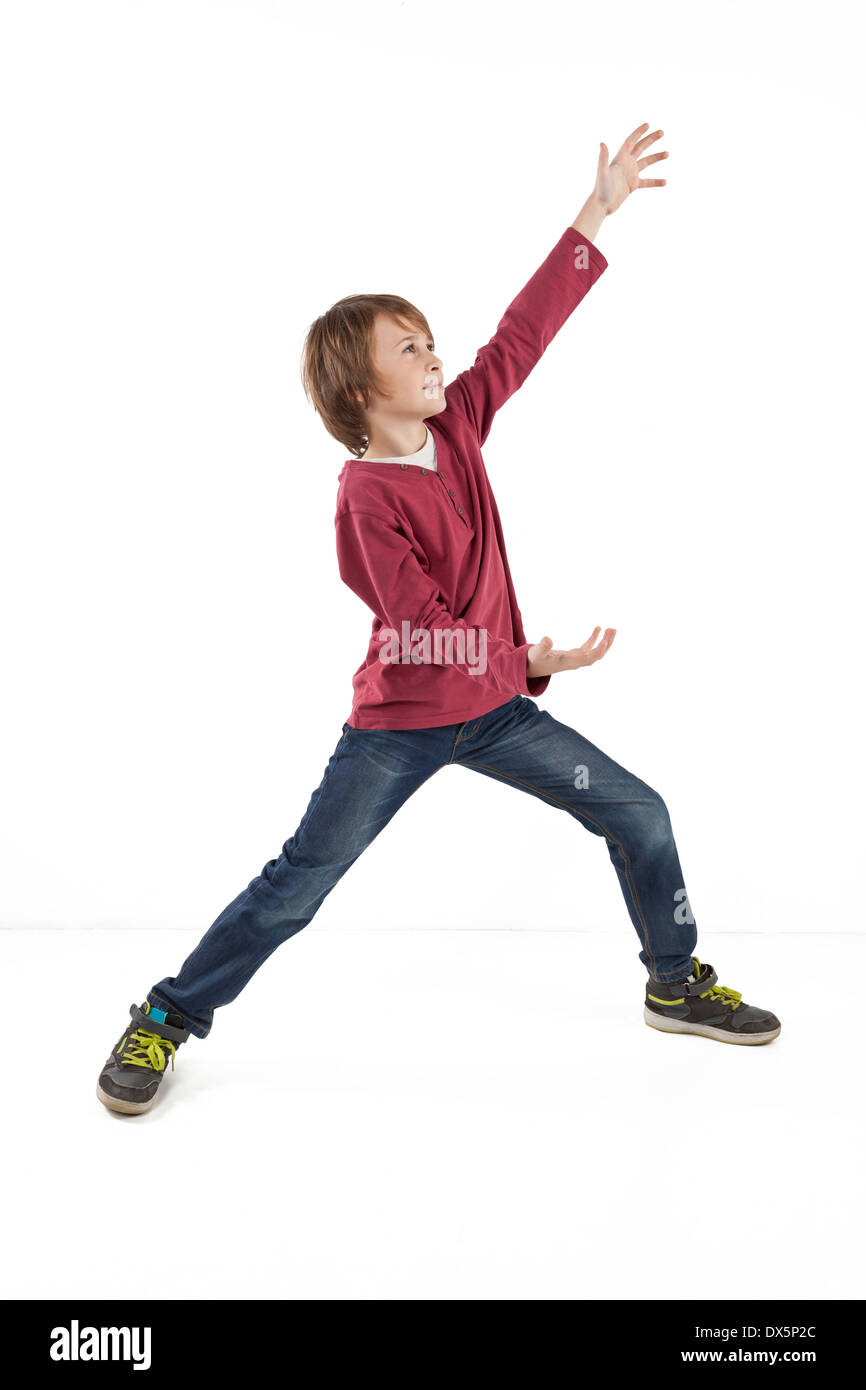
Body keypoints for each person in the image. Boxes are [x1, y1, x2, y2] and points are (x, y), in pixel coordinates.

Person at [96, 122, 781, 1116]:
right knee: (297, 884)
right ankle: (164, 1018)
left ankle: (672, 981)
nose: (432, 353)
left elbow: (521, 334)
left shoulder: (455, 423)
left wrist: (595, 211)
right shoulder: (364, 495)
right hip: (402, 723)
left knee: (638, 811)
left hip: (498, 709)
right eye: (406, 346)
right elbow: (419, 628)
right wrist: (528, 653)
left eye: (427, 339)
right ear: (357, 390)